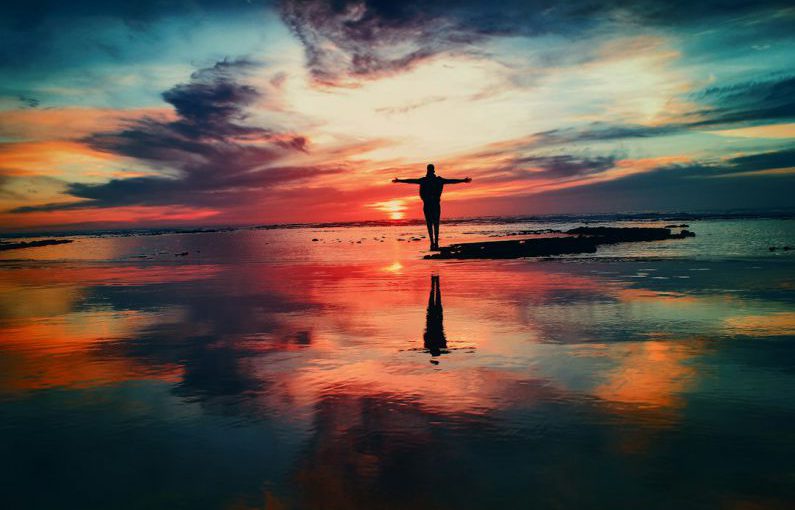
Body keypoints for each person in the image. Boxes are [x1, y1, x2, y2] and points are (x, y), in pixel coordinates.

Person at [392, 164, 472, 250]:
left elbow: (451, 181)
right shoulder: (435, 180)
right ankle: (434, 242)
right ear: (433, 170)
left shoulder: (428, 180)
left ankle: (433, 242)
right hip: (432, 204)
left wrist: (463, 180)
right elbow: (451, 181)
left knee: (431, 223)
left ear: (428, 170)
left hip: (430, 204)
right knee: (434, 223)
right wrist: (463, 180)